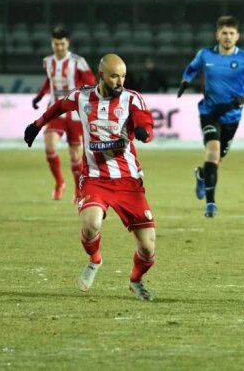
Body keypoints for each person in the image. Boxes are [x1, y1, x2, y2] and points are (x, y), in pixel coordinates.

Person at [24, 53, 157, 301]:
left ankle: (136, 280)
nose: (120, 82)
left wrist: (144, 132)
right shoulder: (82, 96)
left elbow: (146, 124)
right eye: (115, 76)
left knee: (148, 249)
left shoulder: (132, 99)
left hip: (128, 181)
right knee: (90, 225)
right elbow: (59, 106)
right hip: (95, 178)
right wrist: (37, 124)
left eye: (123, 76)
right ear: (102, 76)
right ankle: (95, 259)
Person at [177, 15, 244, 217]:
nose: (227, 37)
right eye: (224, 33)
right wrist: (185, 81)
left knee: (217, 160)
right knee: (213, 152)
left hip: (232, 116)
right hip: (209, 112)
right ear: (217, 34)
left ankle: (201, 174)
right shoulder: (205, 55)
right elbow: (191, 68)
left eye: (231, 33)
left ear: (237, 36)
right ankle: (210, 204)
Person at [32, 26, 96, 202]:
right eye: (56, 44)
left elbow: (90, 82)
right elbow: (49, 81)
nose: (59, 47)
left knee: (75, 154)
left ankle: (78, 190)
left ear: (68, 43)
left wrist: (87, 100)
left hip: (75, 112)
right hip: (56, 110)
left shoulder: (78, 61)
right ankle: (60, 182)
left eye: (62, 44)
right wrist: (39, 96)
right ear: (52, 44)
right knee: (49, 146)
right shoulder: (48, 61)